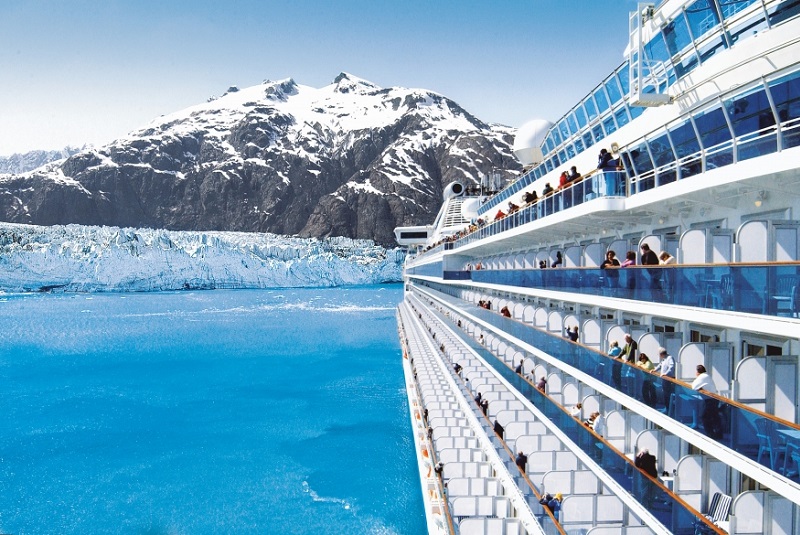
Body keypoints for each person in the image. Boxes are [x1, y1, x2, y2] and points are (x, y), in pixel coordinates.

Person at [692, 365, 722, 439]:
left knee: (704, 417)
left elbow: (694, 386)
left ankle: (710, 434)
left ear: (698, 372)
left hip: (710, 400)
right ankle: (717, 434)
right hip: (713, 399)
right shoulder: (706, 376)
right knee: (714, 417)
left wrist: (699, 385)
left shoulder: (703, 377)